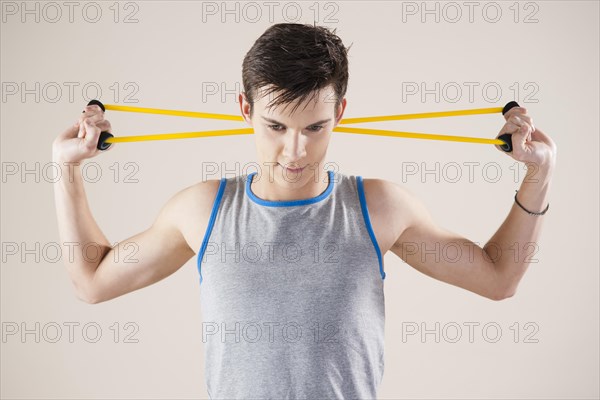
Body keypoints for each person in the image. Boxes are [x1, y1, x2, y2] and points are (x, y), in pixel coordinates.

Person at [52, 23, 557, 399]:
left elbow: (497, 279)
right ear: (244, 109)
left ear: (340, 111)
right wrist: (66, 169)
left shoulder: (379, 207)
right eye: (276, 127)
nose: (295, 151)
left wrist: (539, 173)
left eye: (315, 127)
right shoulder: (202, 210)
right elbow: (91, 282)